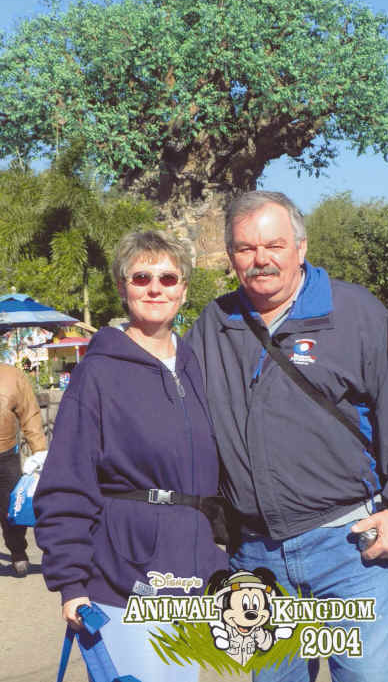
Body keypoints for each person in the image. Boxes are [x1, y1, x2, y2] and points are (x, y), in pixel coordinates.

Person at [187, 191, 388, 682]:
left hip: (349, 550)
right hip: (257, 562)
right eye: (245, 248)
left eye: (274, 245)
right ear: (231, 257)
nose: (261, 259)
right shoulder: (212, 326)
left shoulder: (354, 313)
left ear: (300, 248)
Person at [34, 230, 228, 682]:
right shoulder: (96, 373)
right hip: (121, 575)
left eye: (167, 277)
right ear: (123, 287)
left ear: (183, 288)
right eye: (141, 277)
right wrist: (71, 582)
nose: (155, 287)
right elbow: (65, 482)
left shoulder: (197, 365)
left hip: (191, 571)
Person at [0, 363, 47, 576]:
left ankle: (18, 552)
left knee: (11, 509)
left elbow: (29, 413)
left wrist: (39, 452)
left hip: (5, 454)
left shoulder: (11, 375)